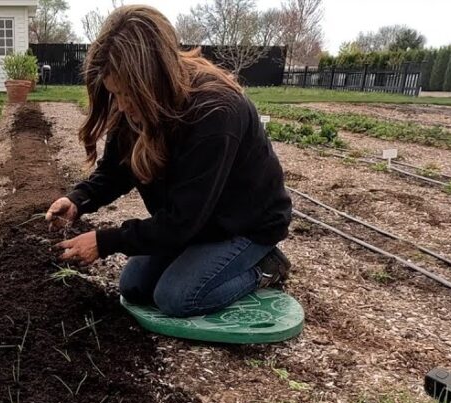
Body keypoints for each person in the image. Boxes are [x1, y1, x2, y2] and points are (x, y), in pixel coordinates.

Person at [46, 5, 293, 318]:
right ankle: (201, 258)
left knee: (177, 298)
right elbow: (115, 171)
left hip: (245, 225)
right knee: (134, 286)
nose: (121, 106)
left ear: (152, 80)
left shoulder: (216, 112)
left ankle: (267, 267)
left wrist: (105, 241)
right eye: (115, 93)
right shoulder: (133, 107)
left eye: (127, 94)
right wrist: (78, 199)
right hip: (197, 223)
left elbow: (182, 221)